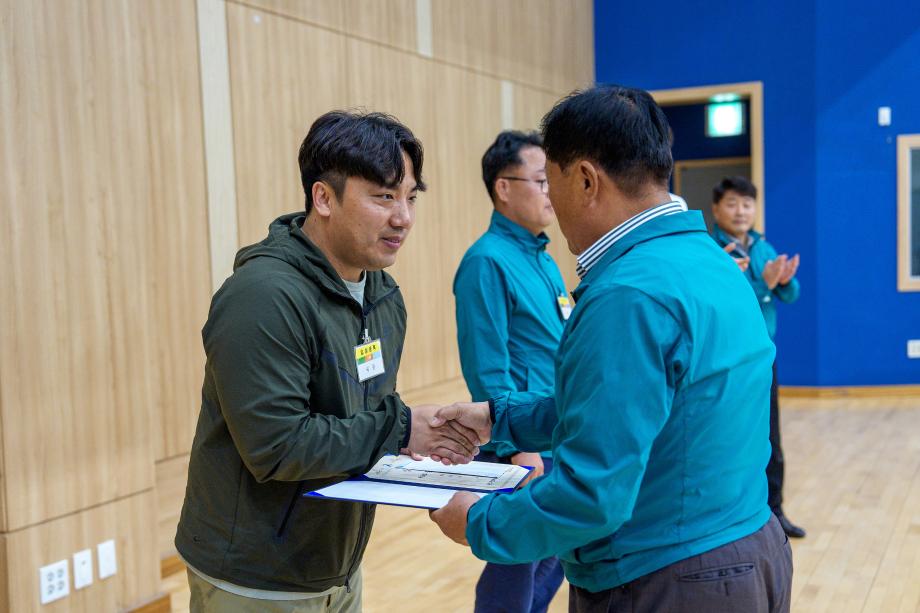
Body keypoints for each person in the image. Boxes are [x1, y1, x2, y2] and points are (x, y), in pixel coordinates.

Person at [430, 85, 793, 612]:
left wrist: (475, 521)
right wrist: (499, 417)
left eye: (551, 182)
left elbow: (590, 496)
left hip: (668, 574)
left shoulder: (628, 292)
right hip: (745, 547)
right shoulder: (707, 259)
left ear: (584, 179)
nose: (552, 204)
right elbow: (628, 405)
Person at [175, 110, 481, 613]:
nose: (403, 217)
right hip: (255, 579)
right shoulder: (263, 296)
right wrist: (403, 429)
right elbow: (276, 445)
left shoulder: (382, 294)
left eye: (410, 197)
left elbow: (360, 421)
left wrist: (423, 451)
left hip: (338, 565)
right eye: (383, 196)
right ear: (323, 198)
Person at [454, 130, 567, 612]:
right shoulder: (486, 261)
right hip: (525, 443)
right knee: (515, 562)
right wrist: (517, 445)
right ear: (503, 187)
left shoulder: (544, 258)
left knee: (556, 553)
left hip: (559, 431)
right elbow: (486, 366)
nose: (550, 192)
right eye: (541, 181)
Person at [710, 176, 804, 538]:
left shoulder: (763, 247)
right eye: (732, 203)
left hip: (763, 359)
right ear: (716, 209)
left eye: (747, 204)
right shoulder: (711, 250)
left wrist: (785, 280)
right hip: (727, 360)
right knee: (730, 437)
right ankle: (734, 516)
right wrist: (766, 284)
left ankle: (775, 512)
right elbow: (728, 297)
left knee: (770, 437)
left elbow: (791, 295)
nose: (741, 211)